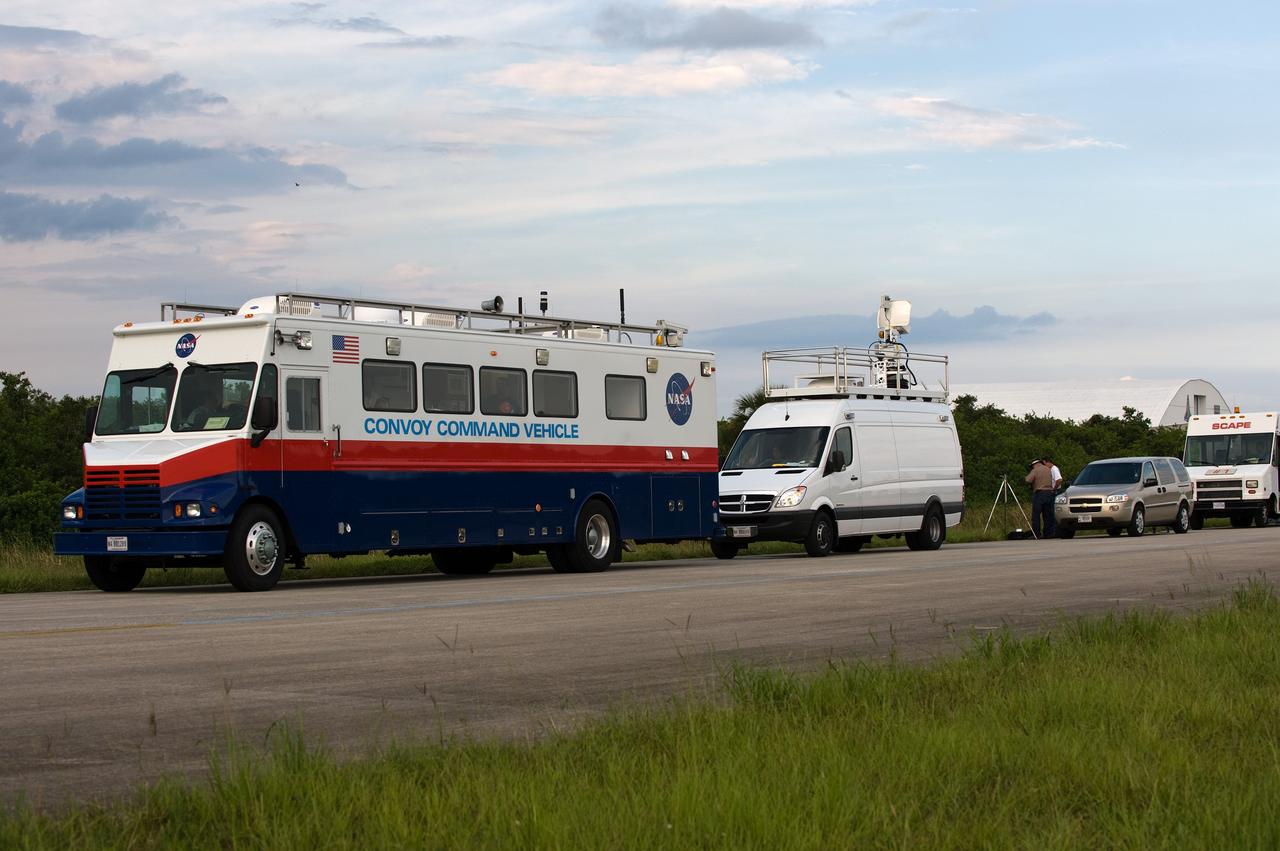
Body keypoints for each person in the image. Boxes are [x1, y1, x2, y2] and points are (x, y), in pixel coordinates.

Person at [1024, 458, 1057, 538]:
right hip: (1049, 493)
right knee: (1048, 515)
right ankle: (1048, 533)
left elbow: (1028, 480)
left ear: (1034, 464)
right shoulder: (1049, 469)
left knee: (1036, 515)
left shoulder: (1035, 470)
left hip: (1039, 493)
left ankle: (1037, 534)